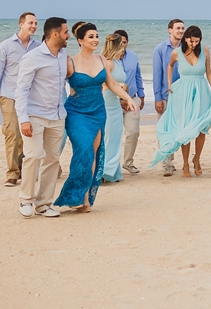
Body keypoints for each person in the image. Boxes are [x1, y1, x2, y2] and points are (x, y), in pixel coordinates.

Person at [54, 22, 138, 212]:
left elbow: (113, 84)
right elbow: (53, 84)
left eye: (96, 36)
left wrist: (127, 99)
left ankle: (84, 199)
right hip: (76, 113)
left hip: (98, 112)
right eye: (91, 36)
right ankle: (73, 194)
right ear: (80, 40)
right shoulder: (70, 62)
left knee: (92, 154)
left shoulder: (101, 60)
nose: (95, 40)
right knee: (83, 150)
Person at [14, 17, 69, 218]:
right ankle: (26, 199)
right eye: (65, 32)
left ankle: (44, 204)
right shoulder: (33, 57)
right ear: (55, 34)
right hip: (34, 114)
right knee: (34, 155)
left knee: (53, 160)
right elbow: (21, 90)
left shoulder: (64, 55)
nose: (68, 35)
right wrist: (23, 119)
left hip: (57, 116)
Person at [150, 25, 211, 176]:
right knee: (185, 129)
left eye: (196, 41)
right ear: (186, 39)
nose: (194, 44)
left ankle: (197, 159)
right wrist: (169, 84)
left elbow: (209, 72)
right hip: (183, 92)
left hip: (201, 91)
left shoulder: (204, 51)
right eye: (191, 41)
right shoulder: (177, 52)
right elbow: (169, 66)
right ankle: (185, 164)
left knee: (201, 128)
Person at [0, 12, 40, 187]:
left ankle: (23, 168)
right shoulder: (5, 46)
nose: (33, 26)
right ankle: (12, 173)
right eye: (30, 23)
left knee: (27, 133)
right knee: (12, 134)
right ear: (21, 24)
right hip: (9, 95)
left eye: (35, 23)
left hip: (30, 97)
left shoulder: (38, 47)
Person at [151, 19, 184, 175]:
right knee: (164, 130)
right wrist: (157, 97)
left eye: (183, 28)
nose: (181, 31)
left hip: (182, 97)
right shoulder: (160, 49)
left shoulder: (187, 49)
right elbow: (157, 74)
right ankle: (167, 164)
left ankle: (176, 161)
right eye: (178, 28)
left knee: (179, 131)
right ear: (170, 30)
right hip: (165, 95)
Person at [113, 29, 144, 174]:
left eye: (124, 42)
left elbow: (138, 76)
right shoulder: (108, 59)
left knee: (133, 132)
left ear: (127, 42)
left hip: (133, 99)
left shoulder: (133, 57)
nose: (122, 44)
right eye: (119, 42)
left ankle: (128, 162)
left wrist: (141, 95)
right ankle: (113, 165)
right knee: (114, 134)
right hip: (114, 102)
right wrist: (120, 98)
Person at [100, 33, 129, 183]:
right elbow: (104, 84)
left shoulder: (118, 62)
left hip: (116, 105)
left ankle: (113, 171)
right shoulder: (108, 62)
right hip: (107, 103)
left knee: (116, 137)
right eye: (121, 45)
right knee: (107, 137)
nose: (123, 48)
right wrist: (120, 88)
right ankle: (104, 170)